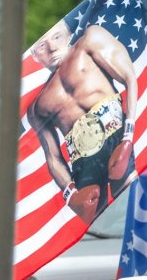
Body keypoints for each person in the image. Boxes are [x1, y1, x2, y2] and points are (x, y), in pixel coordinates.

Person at [27, 20, 138, 224]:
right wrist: (71, 193)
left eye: (57, 36)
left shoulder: (90, 40)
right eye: (42, 45)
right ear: (33, 55)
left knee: (135, 206)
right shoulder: (37, 107)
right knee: (97, 225)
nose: (51, 47)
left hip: (117, 139)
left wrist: (128, 138)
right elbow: (53, 157)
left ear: (68, 34)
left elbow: (129, 77)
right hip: (84, 165)